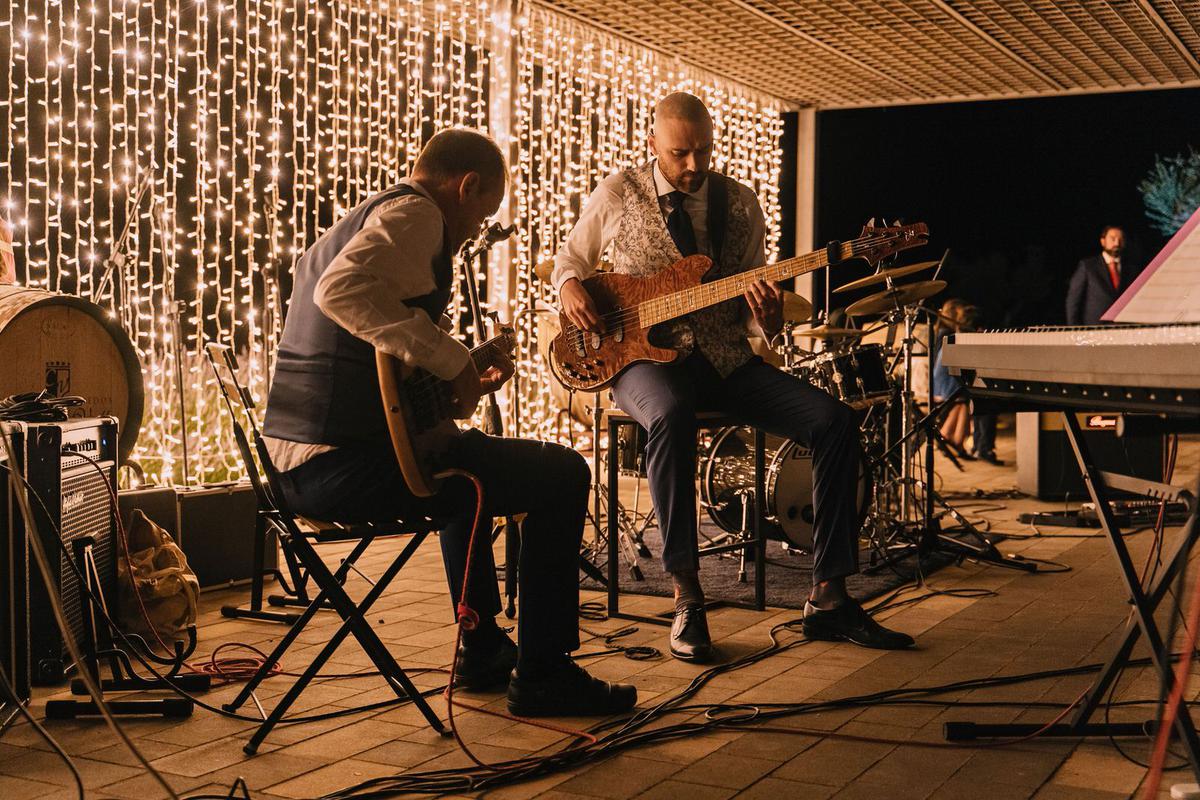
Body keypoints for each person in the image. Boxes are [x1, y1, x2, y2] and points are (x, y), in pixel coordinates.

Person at [260, 129, 636, 717]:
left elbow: (378, 367)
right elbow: (343, 292)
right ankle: (544, 675)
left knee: (464, 467)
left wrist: (455, 379)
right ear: (467, 186)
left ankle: (482, 648)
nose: (472, 235)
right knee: (563, 474)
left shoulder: (363, 218)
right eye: (480, 216)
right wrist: (454, 359)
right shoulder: (418, 215)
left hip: (296, 470)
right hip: (339, 467)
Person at [552, 92, 914, 661]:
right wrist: (570, 285)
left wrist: (765, 318)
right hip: (637, 358)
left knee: (835, 421)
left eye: (704, 151)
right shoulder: (618, 191)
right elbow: (569, 260)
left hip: (723, 359)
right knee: (670, 413)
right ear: (652, 144)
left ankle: (829, 596)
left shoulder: (741, 203)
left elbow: (748, 308)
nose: (694, 165)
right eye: (680, 154)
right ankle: (687, 595)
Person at [931, 300, 974, 462]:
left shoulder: (942, 331)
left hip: (943, 376)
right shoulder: (947, 333)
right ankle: (953, 440)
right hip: (944, 377)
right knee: (963, 400)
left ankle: (954, 440)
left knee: (963, 402)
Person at [1065, 225, 1136, 325]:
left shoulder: (1131, 268)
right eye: (1113, 238)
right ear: (1103, 241)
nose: (1117, 243)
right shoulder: (1088, 266)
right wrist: (1074, 329)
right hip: (1094, 328)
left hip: (1123, 327)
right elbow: (1073, 300)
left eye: (1121, 239)